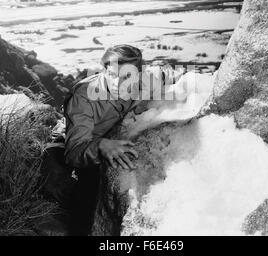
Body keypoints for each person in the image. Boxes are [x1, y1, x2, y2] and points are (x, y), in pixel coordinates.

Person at [42, 44, 182, 234]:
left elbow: (166, 74)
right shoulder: (83, 96)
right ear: (104, 70)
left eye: (126, 77)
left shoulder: (144, 80)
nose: (118, 83)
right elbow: (74, 152)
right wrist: (101, 146)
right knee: (77, 200)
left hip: (109, 135)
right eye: (113, 74)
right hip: (73, 141)